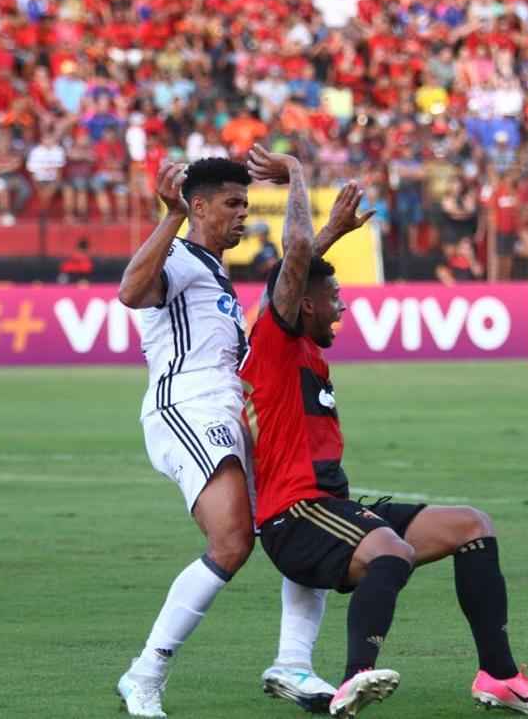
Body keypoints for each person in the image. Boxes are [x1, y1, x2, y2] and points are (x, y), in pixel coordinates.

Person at [239, 150, 528, 718]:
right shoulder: (275, 341)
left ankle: (501, 676)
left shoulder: (307, 346)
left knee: (471, 526)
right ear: (304, 305)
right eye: (333, 301)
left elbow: (301, 268)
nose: (341, 310)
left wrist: (332, 234)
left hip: (330, 508)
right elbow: (292, 261)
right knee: (392, 550)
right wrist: (296, 174)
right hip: (294, 517)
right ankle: (354, 680)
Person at [113, 155, 334, 718]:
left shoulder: (213, 271)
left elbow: (275, 310)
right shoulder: (181, 255)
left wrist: (328, 235)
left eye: (246, 204)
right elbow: (132, 293)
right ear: (200, 206)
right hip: (186, 406)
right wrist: (169, 218)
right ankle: (145, 674)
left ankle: (294, 663)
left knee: (301, 521)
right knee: (233, 542)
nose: (243, 215)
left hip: (232, 412)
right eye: (233, 204)